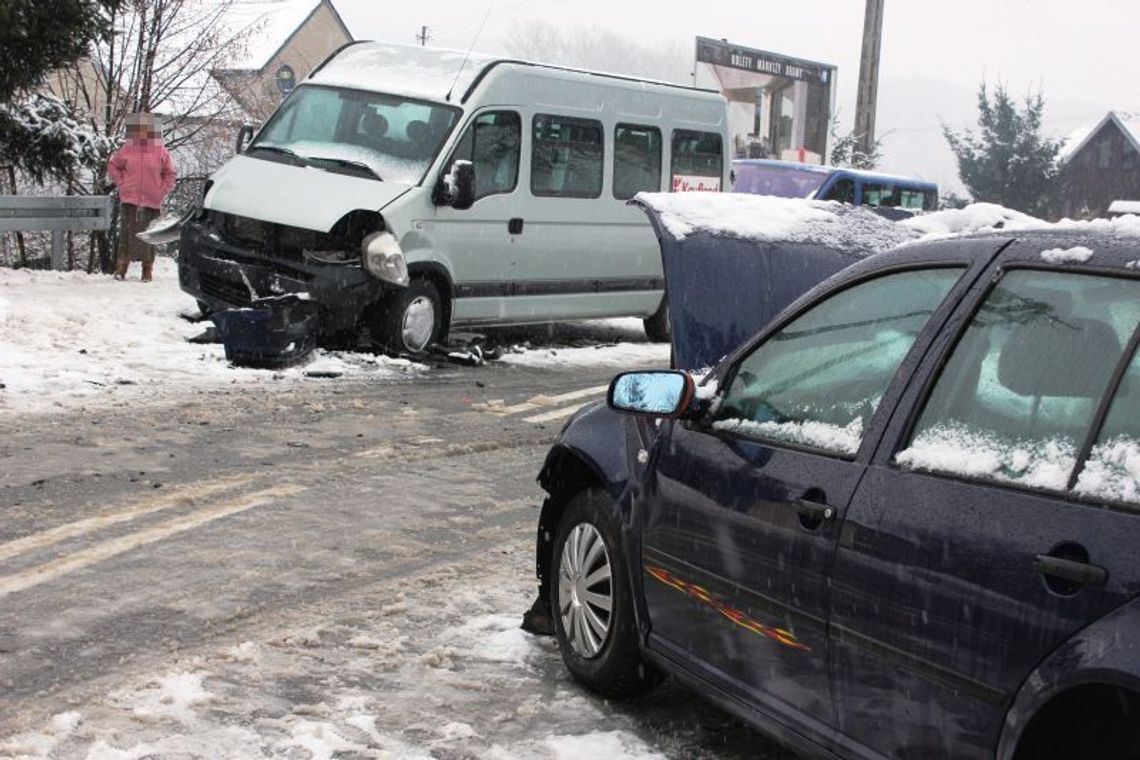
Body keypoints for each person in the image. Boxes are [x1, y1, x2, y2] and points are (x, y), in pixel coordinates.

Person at [106, 112, 177, 282]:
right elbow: (113, 166)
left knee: (149, 235)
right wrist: (122, 184)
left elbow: (170, 174)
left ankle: (147, 269)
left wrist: (161, 190)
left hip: (152, 201)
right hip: (130, 199)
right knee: (127, 234)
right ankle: (122, 267)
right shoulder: (127, 149)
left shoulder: (161, 150)